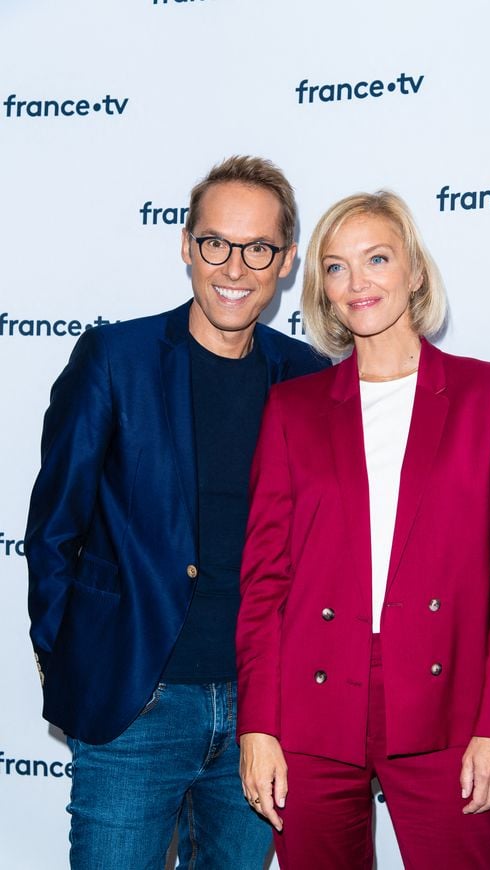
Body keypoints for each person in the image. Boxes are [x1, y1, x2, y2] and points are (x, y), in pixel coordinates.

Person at [25, 155, 329, 869]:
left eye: (258, 248)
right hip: (137, 705)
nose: (235, 266)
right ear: (187, 245)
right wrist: (70, 659)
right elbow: (53, 530)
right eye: (217, 242)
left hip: (264, 716)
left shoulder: (311, 377)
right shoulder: (114, 357)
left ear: (285, 262)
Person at [236, 190, 490, 869]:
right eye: (336, 267)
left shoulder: (488, 396)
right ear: (323, 289)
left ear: (415, 271)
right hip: (311, 705)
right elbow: (264, 584)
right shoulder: (292, 409)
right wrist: (258, 723)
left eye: (376, 258)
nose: (357, 282)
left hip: (445, 704)